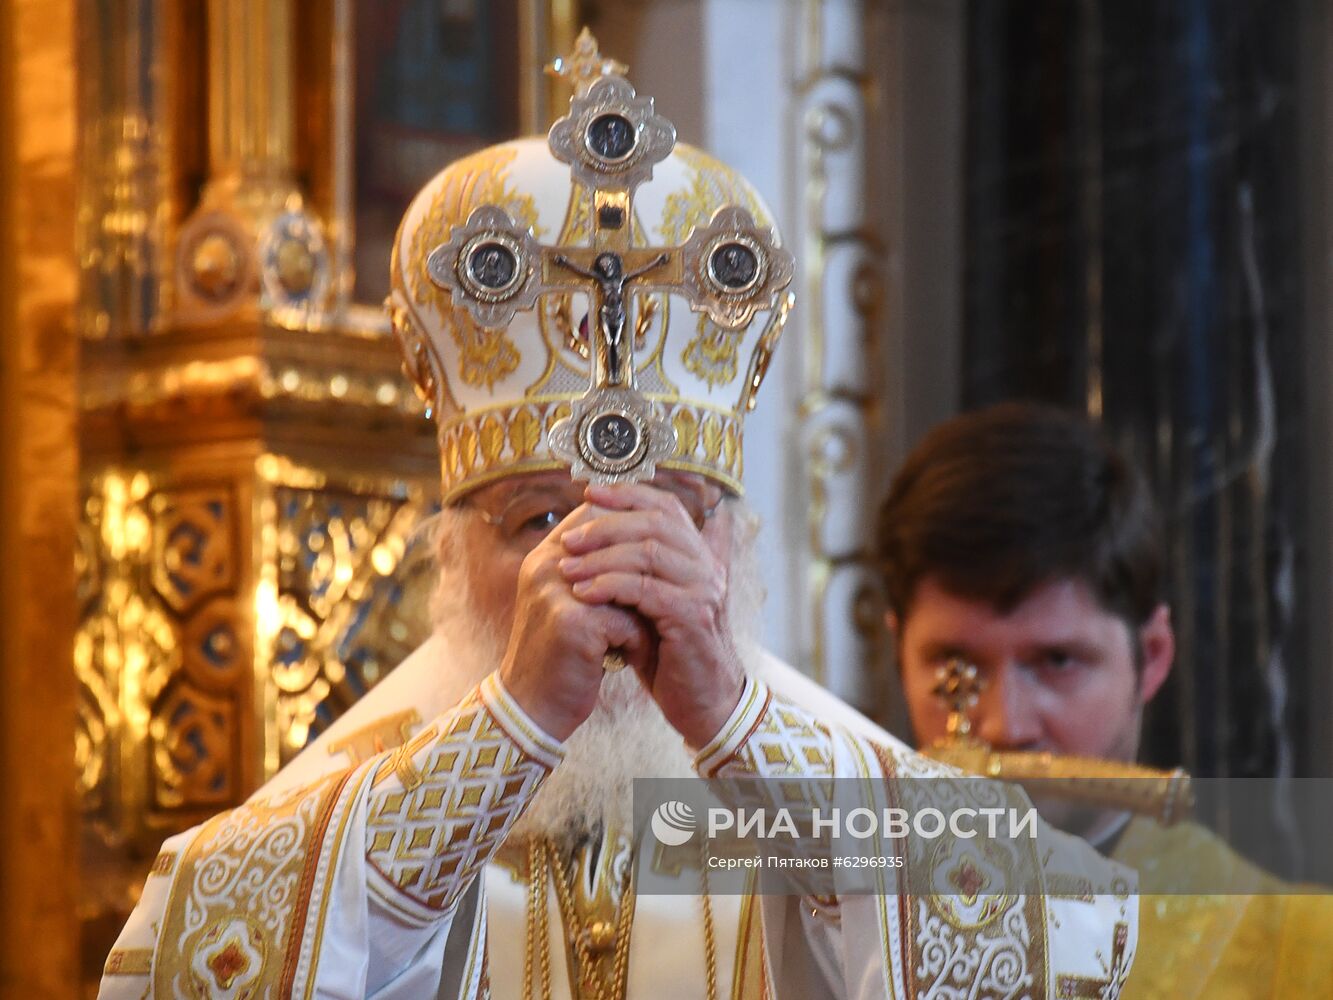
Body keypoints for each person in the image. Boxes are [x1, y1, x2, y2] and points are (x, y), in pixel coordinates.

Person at [98, 63, 1137, 1000]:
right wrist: (512, 727)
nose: (601, 574)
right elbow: (190, 953)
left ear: (734, 547)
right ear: (452, 561)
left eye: (670, 519)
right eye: (540, 519)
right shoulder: (351, 827)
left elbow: (1056, 924)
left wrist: (730, 721)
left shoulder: (839, 797)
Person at [875, 400, 1333, 997]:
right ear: (897, 651)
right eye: (954, 667)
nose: (1003, 725)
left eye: (1057, 662)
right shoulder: (815, 924)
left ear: (1154, 655)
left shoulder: (1301, 956)